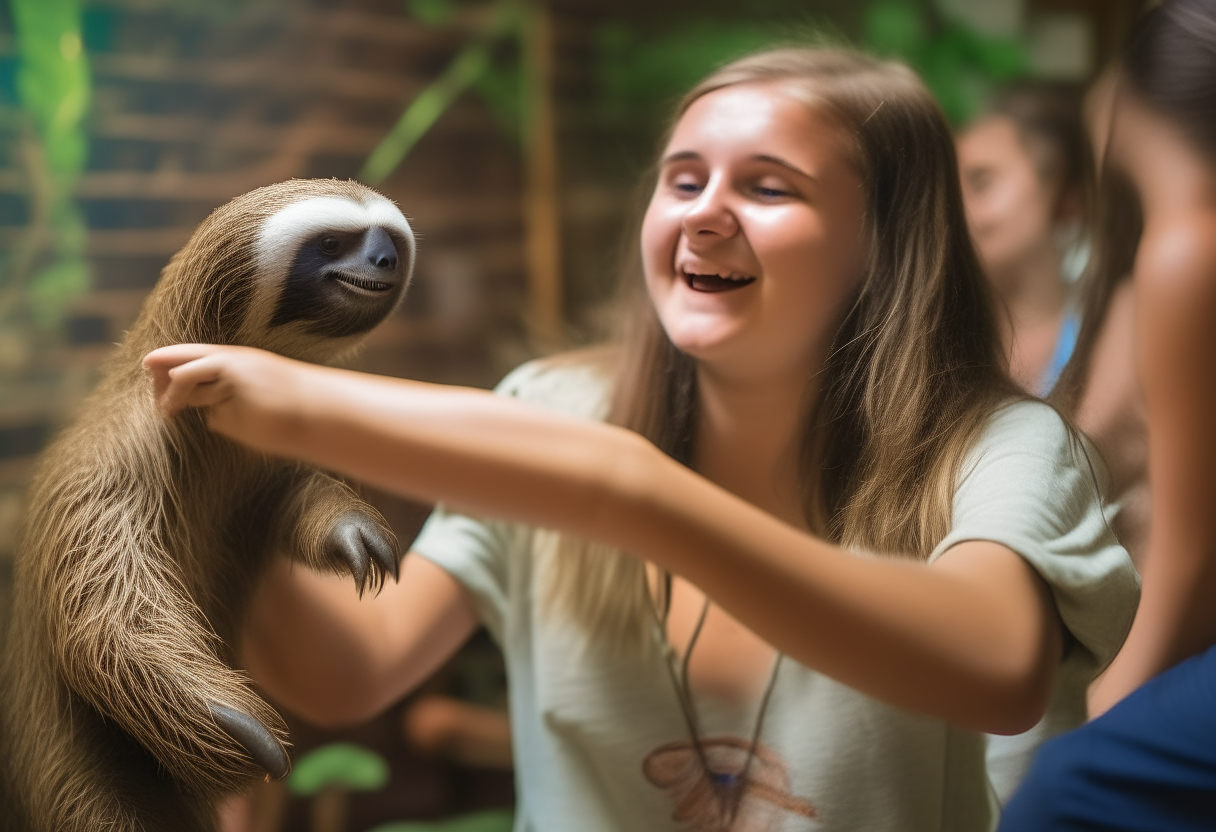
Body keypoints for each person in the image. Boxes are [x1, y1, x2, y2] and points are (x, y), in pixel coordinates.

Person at [146, 48, 1138, 832]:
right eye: (683, 179)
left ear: (885, 244)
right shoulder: (551, 410)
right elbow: (346, 667)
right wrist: (228, 475)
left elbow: (998, 666)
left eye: (769, 186)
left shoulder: (1001, 448)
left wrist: (629, 488)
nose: (705, 212)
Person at [998, 1, 1216, 828]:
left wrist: (1113, 711)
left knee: (1061, 795)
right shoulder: (1155, 262)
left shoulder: (1189, 246)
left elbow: (1195, 550)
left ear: (1132, 90)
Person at [957, 83, 1091, 395]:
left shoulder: (1111, 337)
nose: (956, 207)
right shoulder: (932, 337)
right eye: (952, 187)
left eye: (981, 183)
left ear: (1068, 200)